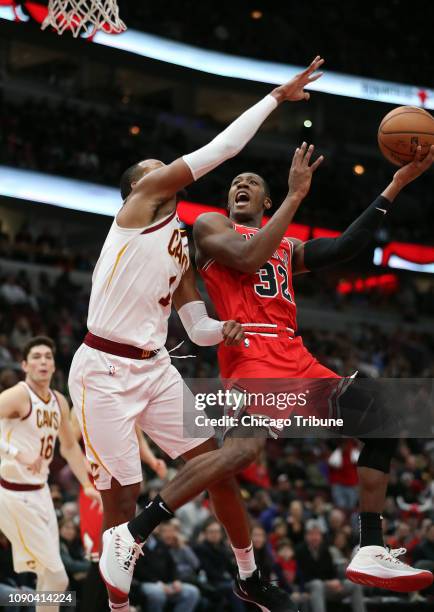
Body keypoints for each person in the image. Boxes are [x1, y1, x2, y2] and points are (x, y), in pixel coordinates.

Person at [118, 141, 434, 598]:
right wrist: (294, 197)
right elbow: (246, 259)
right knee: (244, 453)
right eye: (234, 184)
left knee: (383, 418)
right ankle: (138, 527)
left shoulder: (286, 244)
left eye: (251, 184)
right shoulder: (210, 227)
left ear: (265, 202)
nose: (241, 186)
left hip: (298, 358)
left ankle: (369, 546)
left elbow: (348, 246)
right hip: (252, 354)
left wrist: (396, 183)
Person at [69, 55, 325, 612]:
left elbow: (196, 326)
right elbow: (223, 150)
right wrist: (276, 99)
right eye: (155, 167)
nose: (166, 169)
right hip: (103, 369)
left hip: (155, 366)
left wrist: (224, 330)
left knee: (216, 466)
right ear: (140, 186)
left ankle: (249, 573)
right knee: (124, 499)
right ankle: (114, 604)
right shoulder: (139, 207)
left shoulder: (181, 244)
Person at [0, 336, 101, 612]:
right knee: (57, 577)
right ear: (24, 365)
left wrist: (87, 485)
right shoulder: (19, 395)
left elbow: (69, 446)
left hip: (41, 492)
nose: (43, 361)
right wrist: (14, 452)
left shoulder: (59, 401)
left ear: (54, 366)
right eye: (36, 356)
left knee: (49, 577)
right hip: (11, 494)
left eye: (48, 356)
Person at [295, 521, 366, 612]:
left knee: (353, 584)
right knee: (317, 584)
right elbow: (303, 575)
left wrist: (337, 581)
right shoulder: (300, 550)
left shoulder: (325, 549)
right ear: (306, 536)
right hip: (309, 585)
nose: (314, 537)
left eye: (317, 534)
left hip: (327, 586)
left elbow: (331, 571)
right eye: (311, 534)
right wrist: (327, 582)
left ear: (321, 536)